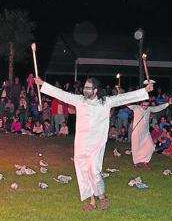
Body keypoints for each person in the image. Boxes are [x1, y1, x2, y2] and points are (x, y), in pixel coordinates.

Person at [35, 76, 152, 211]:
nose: (85, 90)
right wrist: (43, 84)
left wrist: (144, 91)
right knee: (83, 170)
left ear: (95, 90)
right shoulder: (79, 101)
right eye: (84, 87)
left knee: (95, 171)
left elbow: (123, 98)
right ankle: (91, 201)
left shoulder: (105, 102)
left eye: (88, 88)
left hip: (97, 143)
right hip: (81, 143)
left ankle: (102, 197)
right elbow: (62, 94)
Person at [128, 98, 172, 169]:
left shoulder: (149, 109)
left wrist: (168, 103)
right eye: (144, 105)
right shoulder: (136, 107)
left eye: (147, 105)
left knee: (151, 146)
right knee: (136, 147)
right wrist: (120, 94)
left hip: (146, 132)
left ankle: (145, 161)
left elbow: (158, 108)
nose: (145, 107)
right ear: (141, 104)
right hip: (137, 131)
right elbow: (127, 104)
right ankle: (136, 162)